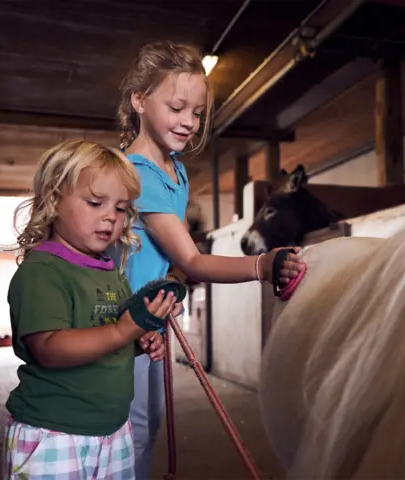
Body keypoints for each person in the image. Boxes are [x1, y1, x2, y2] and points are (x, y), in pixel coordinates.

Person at [117, 41, 306, 478]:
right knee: (128, 431)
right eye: (177, 107)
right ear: (139, 100)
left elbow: (171, 257)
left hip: (153, 315)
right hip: (120, 314)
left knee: (147, 428)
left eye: (198, 112)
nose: (189, 121)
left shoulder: (176, 169)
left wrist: (172, 281)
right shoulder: (136, 173)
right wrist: (262, 266)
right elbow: (193, 258)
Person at [2, 140, 180, 479]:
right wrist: (122, 331)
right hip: (54, 433)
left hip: (113, 430)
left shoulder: (110, 271)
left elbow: (103, 337)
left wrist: (137, 343)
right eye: (96, 202)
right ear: (54, 201)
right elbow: (50, 348)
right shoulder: (43, 271)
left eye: (121, 208)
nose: (111, 216)